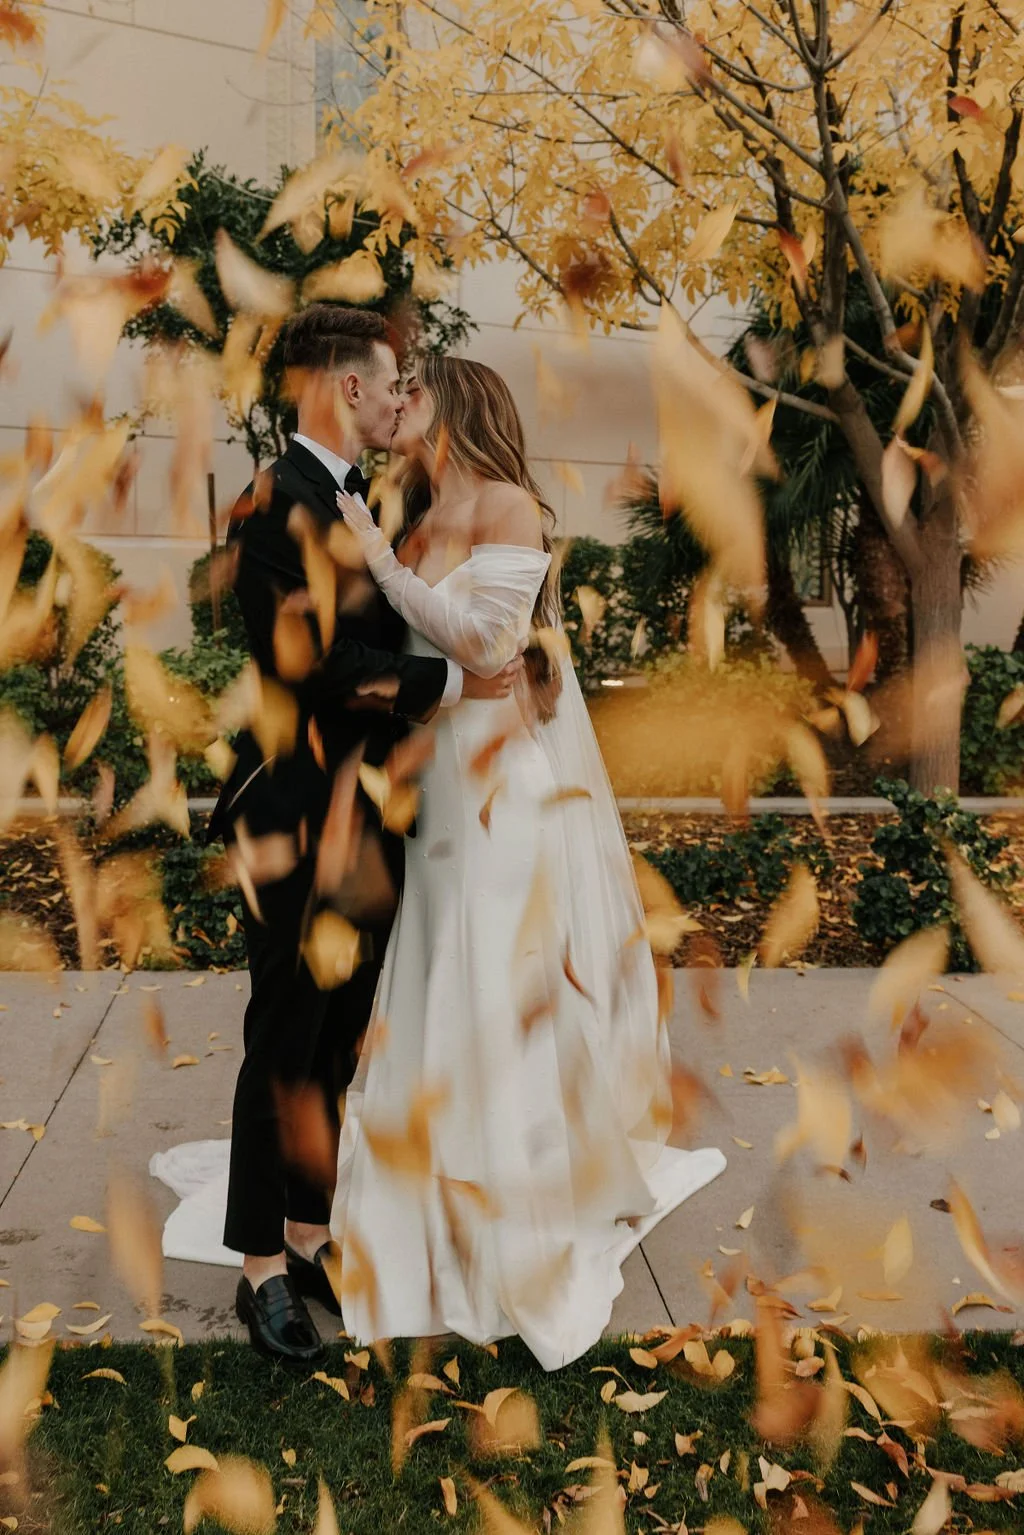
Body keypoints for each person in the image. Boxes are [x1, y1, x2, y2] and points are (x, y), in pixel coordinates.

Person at [331, 355, 726, 1370]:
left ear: (458, 403)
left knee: (500, 976)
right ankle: (428, 1191)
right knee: (438, 971)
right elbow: (430, 663)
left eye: (416, 385)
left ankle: (520, 1211)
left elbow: (482, 638)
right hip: (440, 783)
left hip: (503, 782)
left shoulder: (510, 508)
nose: (399, 394)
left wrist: (380, 562)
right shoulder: (414, 516)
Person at [172, 308, 522, 1366]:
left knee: (337, 1036)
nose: (394, 395)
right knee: (281, 1035)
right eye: (385, 380)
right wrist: (454, 680)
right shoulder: (276, 502)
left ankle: (310, 1232)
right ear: (341, 387)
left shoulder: (354, 496)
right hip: (292, 812)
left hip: (370, 811)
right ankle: (259, 1271)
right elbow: (316, 667)